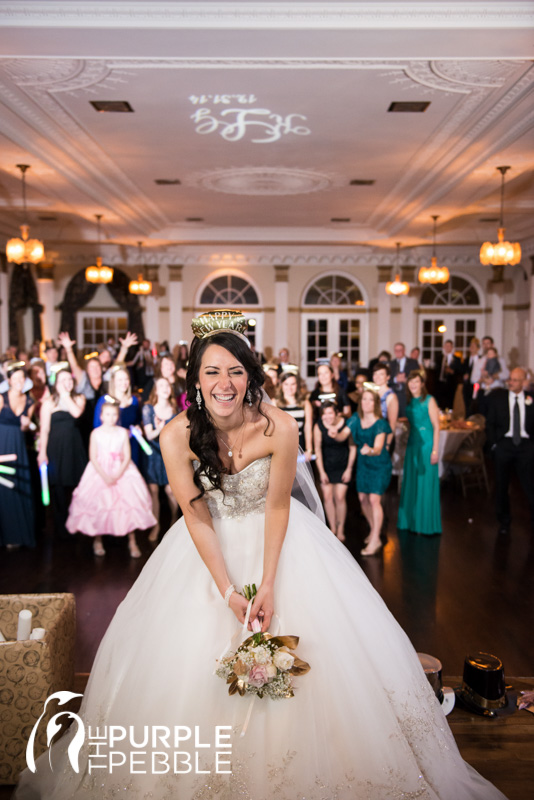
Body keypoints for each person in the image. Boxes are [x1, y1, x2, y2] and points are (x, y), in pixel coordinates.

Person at [15, 311, 508, 800]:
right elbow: (195, 516)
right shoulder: (174, 435)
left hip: (281, 543)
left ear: (250, 376)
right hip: (206, 549)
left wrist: (269, 582)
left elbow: (277, 506)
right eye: (212, 371)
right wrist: (228, 589)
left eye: (235, 370)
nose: (224, 383)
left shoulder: (281, 427)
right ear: (196, 379)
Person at [66, 398, 156, 557]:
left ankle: (132, 541)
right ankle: (98, 540)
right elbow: (93, 457)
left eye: (114, 414)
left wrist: (118, 473)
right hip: (100, 471)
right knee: (99, 505)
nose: (111, 417)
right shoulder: (96, 433)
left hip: (121, 470)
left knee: (128, 505)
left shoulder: (122, 432)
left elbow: (127, 456)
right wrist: (105, 476)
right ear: (101, 416)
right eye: (107, 414)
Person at [38, 368, 87, 540]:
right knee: (57, 487)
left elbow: (76, 413)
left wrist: (65, 394)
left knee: (76, 486)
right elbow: (44, 429)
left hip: (74, 447)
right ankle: (61, 527)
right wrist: (42, 452)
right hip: (55, 447)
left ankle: (78, 524)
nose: (67, 383)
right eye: (62, 380)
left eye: (69, 379)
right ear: (55, 383)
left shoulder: (79, 398)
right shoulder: (49, 402)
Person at [486, 367, 534, 535]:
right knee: (501, 485)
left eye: (515, 380)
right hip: (504, 444)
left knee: (529, 484)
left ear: (523, 383)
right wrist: (494, 444)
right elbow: (490, 423)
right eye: (510, 379)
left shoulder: (531, 400)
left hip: (525, 445)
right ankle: (504, 522)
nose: (510, 382)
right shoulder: (498, 399)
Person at [347, 386, 392, 555]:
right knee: (362, 499)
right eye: (364, 399)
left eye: (370, 400)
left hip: (379, 464)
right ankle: (375, 531)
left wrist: (370, 449)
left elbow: (379, 448)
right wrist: (332, 432)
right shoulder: (355, 419)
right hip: (363, 464)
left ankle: (374, 540)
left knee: (374, 500)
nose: (366, 402)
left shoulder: (381, 423)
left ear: (375, 404)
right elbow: (344, 434)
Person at [397, 370, 442, 535]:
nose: (413, 385)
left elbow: (437, 426)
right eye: (411, 382)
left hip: (426, 446)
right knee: (412, 483)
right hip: (412, 445)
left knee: (425, 483)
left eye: (416, 381)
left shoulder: (429, 400)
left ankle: (425, 524)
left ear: (422, 384)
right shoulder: (410, 401)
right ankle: (411, 522)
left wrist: (435, 450)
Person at [0, 361, 35, 549]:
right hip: (1, 445)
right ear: (9, 380)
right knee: (2, 488)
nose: (19, 381)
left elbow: (23, 429)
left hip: (18, 446)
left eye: (22, 378)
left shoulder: (30, 401)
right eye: (16, 378)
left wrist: (25, 424)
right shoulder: (1, 398)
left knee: (17, 486)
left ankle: (17, 534)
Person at [142, 376, 180, 543]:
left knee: (171, 491)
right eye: (161, 386)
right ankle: (156, 525)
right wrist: (159, 428)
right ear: (156, 390)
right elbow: (149, 434)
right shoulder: (148, 409)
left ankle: (174, 522)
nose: (165, 388)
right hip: (153, 455)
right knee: (154, 492)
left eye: (167, 385)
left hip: (170, 454)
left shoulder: (175, 410)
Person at [313, 400, 355, 541]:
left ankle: (341, 528)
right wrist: (322, 472)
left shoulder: (346, 423)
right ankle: (333, 527)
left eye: (330, 413)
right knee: (327, 496)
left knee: (340, 497)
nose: (327, 417)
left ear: (336, 413)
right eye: (324, 414)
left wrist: (349, 469)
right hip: (326, 465)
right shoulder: (318, 426)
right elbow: (317, 449)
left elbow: (353, 447)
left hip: (343, 465)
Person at [93, 364, 143, 466]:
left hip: (131, 445)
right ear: (113, 382)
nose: (123, 383)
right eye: (120, 380)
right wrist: (123, 433)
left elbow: (137, 420)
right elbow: (97, 426)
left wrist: (138, 427)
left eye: (126, 379)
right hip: (112, 448)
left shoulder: (134, 400)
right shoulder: (104, 401)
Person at [275, 369, 313, 457]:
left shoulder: (305, 403)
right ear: (281, 385)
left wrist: (309, 449)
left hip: (300, 444)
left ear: (297, 385)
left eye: (293, 384)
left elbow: (308, 428)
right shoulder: (275, 403)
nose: (289, 387)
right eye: (286, 384)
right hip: (280, 445)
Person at [372, 362, 398, 450]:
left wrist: (387, 444)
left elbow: (392, 424)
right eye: (375, 374)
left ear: (388, 377)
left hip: (385, 437)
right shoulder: (372, 393)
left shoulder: (391, 396)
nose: (377, 377)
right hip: (371, 436)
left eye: (381, 374)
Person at [389, 342, 419, 418]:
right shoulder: (391, 363)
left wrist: (406, 380)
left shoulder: (413, 362)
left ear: (404, 350)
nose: (398, 352)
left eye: (400, 350)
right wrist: (396, 379)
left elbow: (417, 377)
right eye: (396, 350)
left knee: (408, 417)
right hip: (394, 395)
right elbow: (387, 379)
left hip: (408, 394)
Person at [436, 340, 462, 411]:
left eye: (449, 346)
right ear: (444, 347)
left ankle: (449, 416)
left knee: (450, 402)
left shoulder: (457, 359)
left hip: (451, 384)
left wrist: (452, 371)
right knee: (440, 402)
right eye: (446, 346)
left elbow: (460, 372)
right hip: (440, 383)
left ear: (452, 347)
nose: (447, 347)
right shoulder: (439, 358)